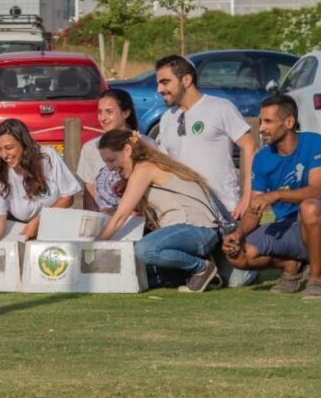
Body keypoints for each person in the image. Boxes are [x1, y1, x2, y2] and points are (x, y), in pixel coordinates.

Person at [221, 95, 321, 300]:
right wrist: (238, 234)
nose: (261, 128)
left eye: (268, 121)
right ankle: (291, 265)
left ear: (289, 122)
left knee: (309, 207)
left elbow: (317, 191)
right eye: (260, 121)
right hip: (287, 226)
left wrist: (276, 195)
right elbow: (254, 208)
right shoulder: (261, 159)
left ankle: (317, 281)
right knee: (238, 255)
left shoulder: (313, 142)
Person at [154, 54, 258, 287]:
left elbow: (250, 146)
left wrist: (247, 198)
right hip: (188, 215)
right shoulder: (166, 119)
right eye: (159, 83)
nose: (160, 89)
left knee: (238, 281)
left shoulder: (219, 107)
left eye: (165, 82)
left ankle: (248, 258)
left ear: (187, 80)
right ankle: (203, 265)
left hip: (225, 212)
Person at [97, 129, 226, 293]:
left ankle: (202, 268)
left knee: (145, 249)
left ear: (127, 150)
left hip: (197, 229)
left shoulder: (144, 169)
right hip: (197, 231)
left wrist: (93, 246)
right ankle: (196, 272)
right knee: (143, 271)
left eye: (111, 160)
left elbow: (120, 216)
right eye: (106, 163)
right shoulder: (148, 167)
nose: (110, 168)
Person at [0, 119, 81, 242]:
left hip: (58, 228)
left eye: (9, 148)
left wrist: (40, 220)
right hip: (24, 233)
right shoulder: (0, 175)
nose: (4, 155)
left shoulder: (48, 157)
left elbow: (68, 197)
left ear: (24, 144)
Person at [76, 88, 150, 213]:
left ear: (126, 113)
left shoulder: (146, 144)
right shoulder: (90, 147)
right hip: (104, 221)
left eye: (109, 112)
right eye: (100, 112)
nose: (103, 118)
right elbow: (90, 190)